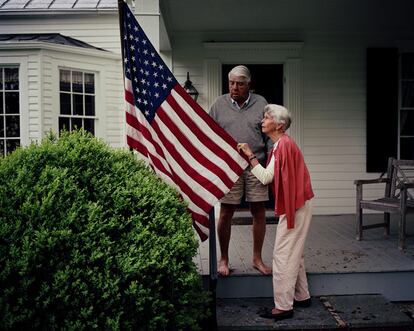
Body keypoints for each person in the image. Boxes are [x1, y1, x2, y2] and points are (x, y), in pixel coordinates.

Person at [237, 104, 314, 321]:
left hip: (297, 205)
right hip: (301, 203)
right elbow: (269, 175)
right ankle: (302, 296)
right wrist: (251, 157)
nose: (262, 120)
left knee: (282, 255)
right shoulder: (282, 144)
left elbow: (265, 177)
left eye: (267, 117)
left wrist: (250, 155)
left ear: (279, 125)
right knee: (294, 252)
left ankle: (283, 307)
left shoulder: (283, 146)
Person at [209, 65, 272, 276]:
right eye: (232, 83)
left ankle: (257, 259)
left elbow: (269, 136)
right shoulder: (219, 104)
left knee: (259, 211)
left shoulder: (261, 103)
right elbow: (209, 136)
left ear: (248, 85)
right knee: (226, 213)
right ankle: (224, 259)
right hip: (229, 167)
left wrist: (271, 164)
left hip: (256, 165)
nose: (235, 87)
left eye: (240, 84)